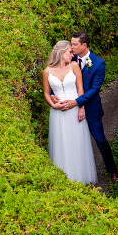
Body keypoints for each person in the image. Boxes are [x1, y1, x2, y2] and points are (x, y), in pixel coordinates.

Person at [54, 31, 118, 183]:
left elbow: (94, 90)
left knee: (100, 139)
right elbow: (58, 75)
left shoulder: (98, 64)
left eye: (74, 44)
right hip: (69, 110)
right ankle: (73, 172)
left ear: (84, 45)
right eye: (71, 44)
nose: (71, 47)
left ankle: (113, 170)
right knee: (71, 141)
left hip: (90, 109)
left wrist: (77, 102)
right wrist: (52, 93)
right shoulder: (68, 57)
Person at [42, 40, 97, 185]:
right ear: (61, 52)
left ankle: (80, 177)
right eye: (70, 52)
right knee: (62, 144)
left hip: (74, 110)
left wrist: (81, 108)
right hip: (58, 114)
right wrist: (53, 105)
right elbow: (47, 93)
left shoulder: (74, 66)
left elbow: (80, 89)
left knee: (77, 143)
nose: (72, 55)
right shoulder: (47, 71)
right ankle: (65, 179)